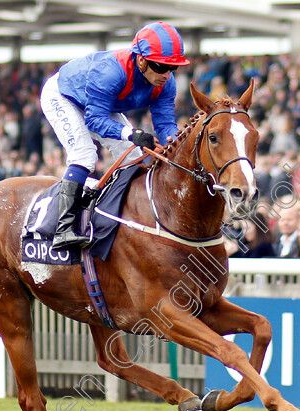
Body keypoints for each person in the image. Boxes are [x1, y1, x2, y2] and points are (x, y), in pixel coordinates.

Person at [40, 21, 190, 249]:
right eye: (160, 67)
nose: (167, 75)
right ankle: (64, 228)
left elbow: (166, 125)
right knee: (85, 155)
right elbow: (94, 120)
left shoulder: (165, 83)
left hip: (101, 104)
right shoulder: (111, 72)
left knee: (135, 157)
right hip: (64, 96)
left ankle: (123, 219)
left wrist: (177, 141)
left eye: (173, 68)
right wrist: (131, 133)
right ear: (141, 60)